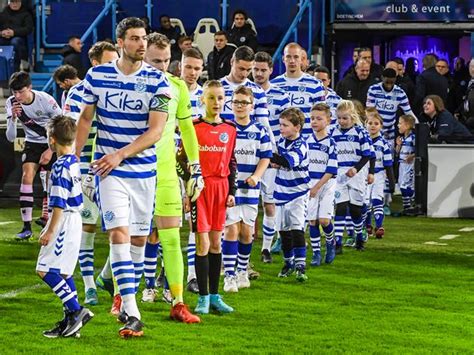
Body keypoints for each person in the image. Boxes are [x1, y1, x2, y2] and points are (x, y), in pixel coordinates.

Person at [75, 17, 171, 338]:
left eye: (144, 38)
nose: (142, 44)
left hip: (143, 171)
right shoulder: (97, 75)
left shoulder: (159, 81)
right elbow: (86, 118)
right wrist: (72, 159)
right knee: (119, 233)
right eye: (134, 38)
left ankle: (115, 288)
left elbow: (156, 131)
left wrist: (121, 153)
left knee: (139, 241)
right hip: (109, 170)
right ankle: (132, 310)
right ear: (120, 43)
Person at [140, 32, 202, 323]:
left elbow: (187, 130)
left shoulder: (177, 87)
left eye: (166, 61)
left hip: (165, 174)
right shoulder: (131, 86)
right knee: (130, 238)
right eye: (155, 61)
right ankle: (119, 296)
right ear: (143, 57)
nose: (162, 67)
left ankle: (178, 302)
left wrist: (195, 167)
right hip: (134, 174)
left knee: (172, 238)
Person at [61, 41, 119, 306]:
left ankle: (107, 276)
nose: (114, 66)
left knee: (122, 229)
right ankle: (89, 286)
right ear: (95, 64)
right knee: (88, 226)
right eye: (109, 62)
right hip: (86, 170)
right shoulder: (76, 93)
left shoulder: (120, 89)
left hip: (114, 170)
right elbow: (71, 133)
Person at [177, 80, 236, 315]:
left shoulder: (230, 129)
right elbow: (180, 161)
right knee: (202, 243)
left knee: (216, 243)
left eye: (220, 98)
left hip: (220, 188)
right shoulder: (193, 127)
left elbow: (232, 162)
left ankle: (214, 296)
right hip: (199, 190)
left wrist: (231, 191)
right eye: (211, 98)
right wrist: (187, 189)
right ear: (203, 99)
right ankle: (202, 297)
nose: (216, 102)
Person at [36, 114, 94, 338]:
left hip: (64, 220)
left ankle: (78, 312)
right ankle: (72, 323)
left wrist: (50, 229)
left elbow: (58, 202)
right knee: (65, 272)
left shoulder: (60, 167)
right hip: (74, 220)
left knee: (44, 269)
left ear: (52, 140)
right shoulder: (74, 161)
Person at [222, 86, 271, 292]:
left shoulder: (260, 131)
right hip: (230, 188)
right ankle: (230, 275)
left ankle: (242, 270)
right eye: (236, 102)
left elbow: (265, 157)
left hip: (250, 189)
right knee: (231, 229)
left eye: (244, 103)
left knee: (247, 231)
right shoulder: (226, 128)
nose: (239, 106)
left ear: (252, 106)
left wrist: (257, 176)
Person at [5, 71, 62, 240]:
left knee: (52, 182)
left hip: (52, 141)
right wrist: (12, 118)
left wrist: (51, 149)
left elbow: (62, 126)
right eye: (14, 92)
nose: (17, 96)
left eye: (21, 91)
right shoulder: (11, 102)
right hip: (32, 143)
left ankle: (53, 223)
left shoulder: (45, 100)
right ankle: (26, 227)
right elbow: (11, 137)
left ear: (30, 87)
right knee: (26, 177)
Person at [252, 51, 290, 262]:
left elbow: (286, 128)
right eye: (255, 69)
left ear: (271, 70)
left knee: (269, 203)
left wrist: (279, 155)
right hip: (248, 154)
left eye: (262, 70)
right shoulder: (245, 92)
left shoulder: (281, 95)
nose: (258, 73)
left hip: (271, 156)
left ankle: (266, 249)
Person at [271, 108, 310, 281]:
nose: (281, 128)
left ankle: (301, 266)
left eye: (285, 125)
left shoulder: (301, 144)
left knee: (296, 229)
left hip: (298, 192)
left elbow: (288, 161)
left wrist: (269, 156)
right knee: (283, 231)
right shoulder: (281, 141)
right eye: (280, 124)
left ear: (297, 127)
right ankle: (289, 262)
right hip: (281, 192)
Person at [332, 100, 372, 252]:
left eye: (345, 118)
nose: (341, 121)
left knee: (355, 209)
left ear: (353, 117)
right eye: (339, 118)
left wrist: (356, 168)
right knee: (340, 207)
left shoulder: (361, 132)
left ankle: (359, 236)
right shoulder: (333, 132)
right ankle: (338, 242)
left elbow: (367, 154)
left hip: (357, 174)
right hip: (339, 174)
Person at [180, 47, 204, 292]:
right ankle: (163, 277)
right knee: (164, 225)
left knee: (194, 223)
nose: (193, 72)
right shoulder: (172, 89)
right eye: (189, 67)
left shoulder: (205, 96)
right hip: (167, 165)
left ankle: (192, 276)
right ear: (181, 66)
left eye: (197, 68)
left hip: (193, 167)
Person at [306, 103, 338, 266]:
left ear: (328, 121)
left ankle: (331, 242)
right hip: (310, 184)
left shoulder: (331, 143)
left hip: (326, 184)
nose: (314, 122)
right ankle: (316, 253)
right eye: (312, 118)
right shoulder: (306, 141)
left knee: (324, 220)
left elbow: (331, 169)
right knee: (312, 221)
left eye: (319, 118)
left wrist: (317, 187)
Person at [271, 42, 325, 137]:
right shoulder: (274, 84)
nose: (292, 61)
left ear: (301, 59)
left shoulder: (315, 84)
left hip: (307, 142)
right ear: (283, 59)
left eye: (296, 57)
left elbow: (321, 117)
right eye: (288, 57)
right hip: (281, 143)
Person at [364, 108, 395, 238]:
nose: (373, 126)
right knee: (364, 202)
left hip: (379, 175)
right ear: (365, 124)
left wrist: (392, 182)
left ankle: (379, 226)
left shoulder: (383, 144)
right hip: (364, 175)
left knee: (377, 199)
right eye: (370, 123)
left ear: (381, 126)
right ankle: (367, 226)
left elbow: (388, 164)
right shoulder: (363, 141)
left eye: (376, 123)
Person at [366, 68, 416, 147]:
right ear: (382, 78)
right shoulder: (373, 89)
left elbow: (408, 112)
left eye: (391, 82)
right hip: (374, 129)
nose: (389, 85)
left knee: (389, 157)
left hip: (390, 132)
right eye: (387, 82)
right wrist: (379, 128)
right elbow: (370, 111)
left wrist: (419, 126)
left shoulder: (400, 93)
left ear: (395, 79)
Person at [0, 0, 33, 71]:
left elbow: (28, 29)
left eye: (17, 2)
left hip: (19, 39)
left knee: (15, 42)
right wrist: (2, 33)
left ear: (20, 2)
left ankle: (17, 68)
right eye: (13, 2)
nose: (15, 4)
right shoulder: (3, 14)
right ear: (9, 3)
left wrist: (13, 32)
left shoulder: (26, 14)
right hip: (3, 37)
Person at [395, 115, 416, 213]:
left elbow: (419, 150)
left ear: (407, 125)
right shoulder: (402, 139)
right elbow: (397, 153)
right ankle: (407, 207)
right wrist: (398, 145)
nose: (398, 125)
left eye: (400, 123)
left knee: (407, 186)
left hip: (409, 165)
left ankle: (414, 204)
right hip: (401, 164)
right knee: (401, 185)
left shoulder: (413, 138)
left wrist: (412, 156)